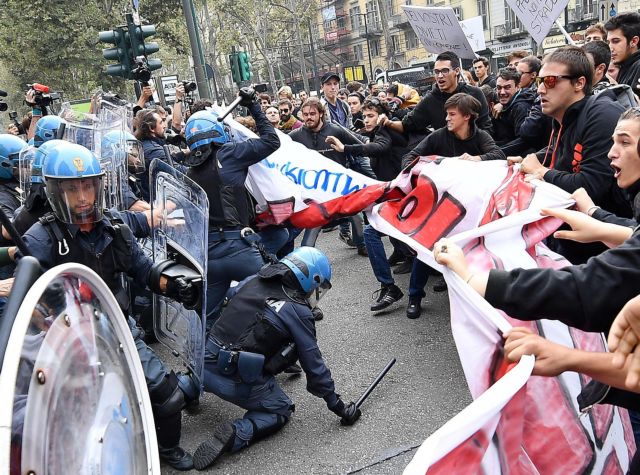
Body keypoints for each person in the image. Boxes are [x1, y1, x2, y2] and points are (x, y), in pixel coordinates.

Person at [19, 142, 201, 470]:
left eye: (88, 186)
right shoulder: (39, 240)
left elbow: (143, 269)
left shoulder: (115, 226)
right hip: (65, 339)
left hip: (116, 326)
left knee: (166, 393)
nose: (83, 197)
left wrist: (173, 285)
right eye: (72, 189)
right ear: (54, 192)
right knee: (74, 418)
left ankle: (167, 449)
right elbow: (22, 301)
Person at [192, 247, 361, 470]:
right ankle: (238, 433)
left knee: (195, 376)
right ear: (310, 278)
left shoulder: (255, 279)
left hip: (202, 362)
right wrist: (337, 405)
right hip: (233, 379)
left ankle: (184, 388)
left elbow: (232, 299)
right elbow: (314, 364)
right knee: (281, 409)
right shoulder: (298, 310)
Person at [510, 45, 630, 263]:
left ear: (579, 83)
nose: (541, 90)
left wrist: (542, 172)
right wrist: (530, 160)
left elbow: (591, 185)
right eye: (539, 81)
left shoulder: (602, 115)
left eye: (551, 81)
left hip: (608, 252)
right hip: (573, 241)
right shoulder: (565, 118)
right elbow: (559, 152)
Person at [183, 88, 280, 324]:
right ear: (217, 131)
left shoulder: (188, 173)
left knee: (207, 320)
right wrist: (254, 105)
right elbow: (271, 140)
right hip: (240, 249)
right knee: (279, 299)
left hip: (210, 257)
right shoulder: (229, 154)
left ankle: (211, 358)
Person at [326, 97, 412, 312]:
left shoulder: (385, 131)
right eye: (364, 116)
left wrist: (345, 148)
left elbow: (379, 147)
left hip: (406, 196)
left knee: (371, 232)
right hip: (395, 196)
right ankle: (404, 262)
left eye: (371, 115)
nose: (366, 120)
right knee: (379, 228)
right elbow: (367, 142)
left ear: (382, 116)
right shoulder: (375, 132)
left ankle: (393, 284)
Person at [289, 97, 372, 255]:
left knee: (356, 217)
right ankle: (304, 257)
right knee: (313, 226)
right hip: (314, 190)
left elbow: (359, 142)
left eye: (312, 113)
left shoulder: (335, 130)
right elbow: (279, 146)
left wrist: (371, 142)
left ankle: (361, 244)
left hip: (339, 186)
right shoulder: (296, 135)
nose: (308, 117)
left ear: (321, 113)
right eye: (305, 114)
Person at [382, 51, 492, 137]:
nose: (439, 76)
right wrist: (388, 123)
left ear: (457, 71)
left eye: (444, 71)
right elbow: (407, 125)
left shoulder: (475, 93)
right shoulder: (430, 100)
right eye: (436, 72)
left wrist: (476, 151)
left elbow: (486, 127)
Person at [134, 109, 188, 201]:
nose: (165, 125)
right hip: (160, 203)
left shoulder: (148, 144)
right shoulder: (152, 150)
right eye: (161, 122)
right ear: (151, 128)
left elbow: (166, 159)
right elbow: (178, 171)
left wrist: (184, 153)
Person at [605, 12, 640, 95]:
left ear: (634, 41)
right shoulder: (625, 65)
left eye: (616, 41)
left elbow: (631, 106)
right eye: (608, 42)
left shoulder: (638, 66)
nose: (610, 47)